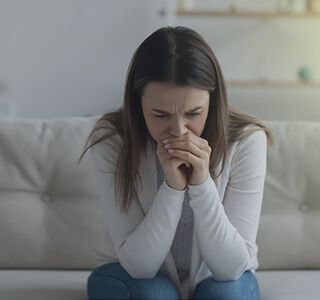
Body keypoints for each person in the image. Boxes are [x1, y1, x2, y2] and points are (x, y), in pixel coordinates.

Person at [79, 26, 273, 300]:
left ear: (213, 102)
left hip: (217, 278)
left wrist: (202, 183)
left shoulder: (246, 141)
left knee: (226, 294)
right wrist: (172, 188)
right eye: (160, 115)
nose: (179, 131)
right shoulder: (113, 140)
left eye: (194, 113)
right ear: (138, 104)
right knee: (155, 295)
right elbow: (140, 267)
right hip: (129, 274)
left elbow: (230, 269)